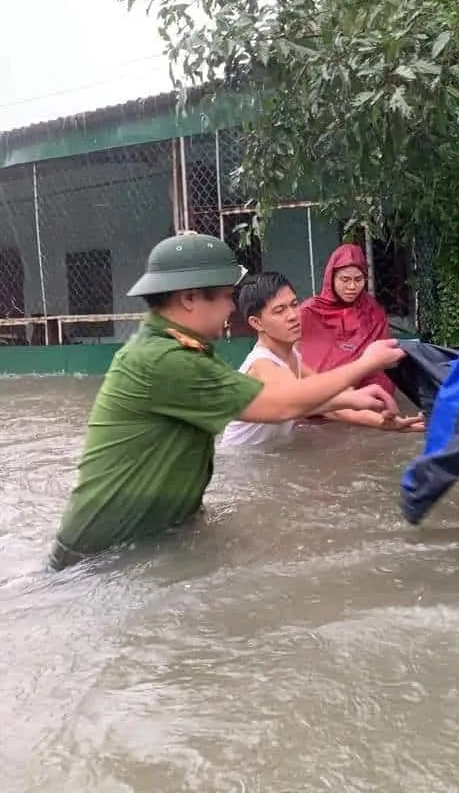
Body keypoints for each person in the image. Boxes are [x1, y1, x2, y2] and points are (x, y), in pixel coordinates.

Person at [49, 232, 405, 569]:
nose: (231, 306)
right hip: (101, 556)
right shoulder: (167, 360)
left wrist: (360, 402)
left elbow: (306, 399)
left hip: (148, 537)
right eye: (223, 295)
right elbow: (283, 404)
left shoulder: (181, 352)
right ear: (189, 298)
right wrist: (365, 364)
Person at [220, 272, 425, 448]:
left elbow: (332, 407)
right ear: (257, 323)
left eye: (294, 304)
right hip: (242, 460)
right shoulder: (262, 365)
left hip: (267, 457)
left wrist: (384, 422)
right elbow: (302, 402)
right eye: (279, 311)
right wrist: (367, 364)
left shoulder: (293, 357)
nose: (293, 315)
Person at [300, 243, 395, 395]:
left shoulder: (372, 311)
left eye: (358, 279)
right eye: (345, 280)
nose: (352, 286)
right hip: (317, 392)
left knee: (382, 386)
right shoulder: (309, 311)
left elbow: (380, 360)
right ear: (331, 278)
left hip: (360, 388)